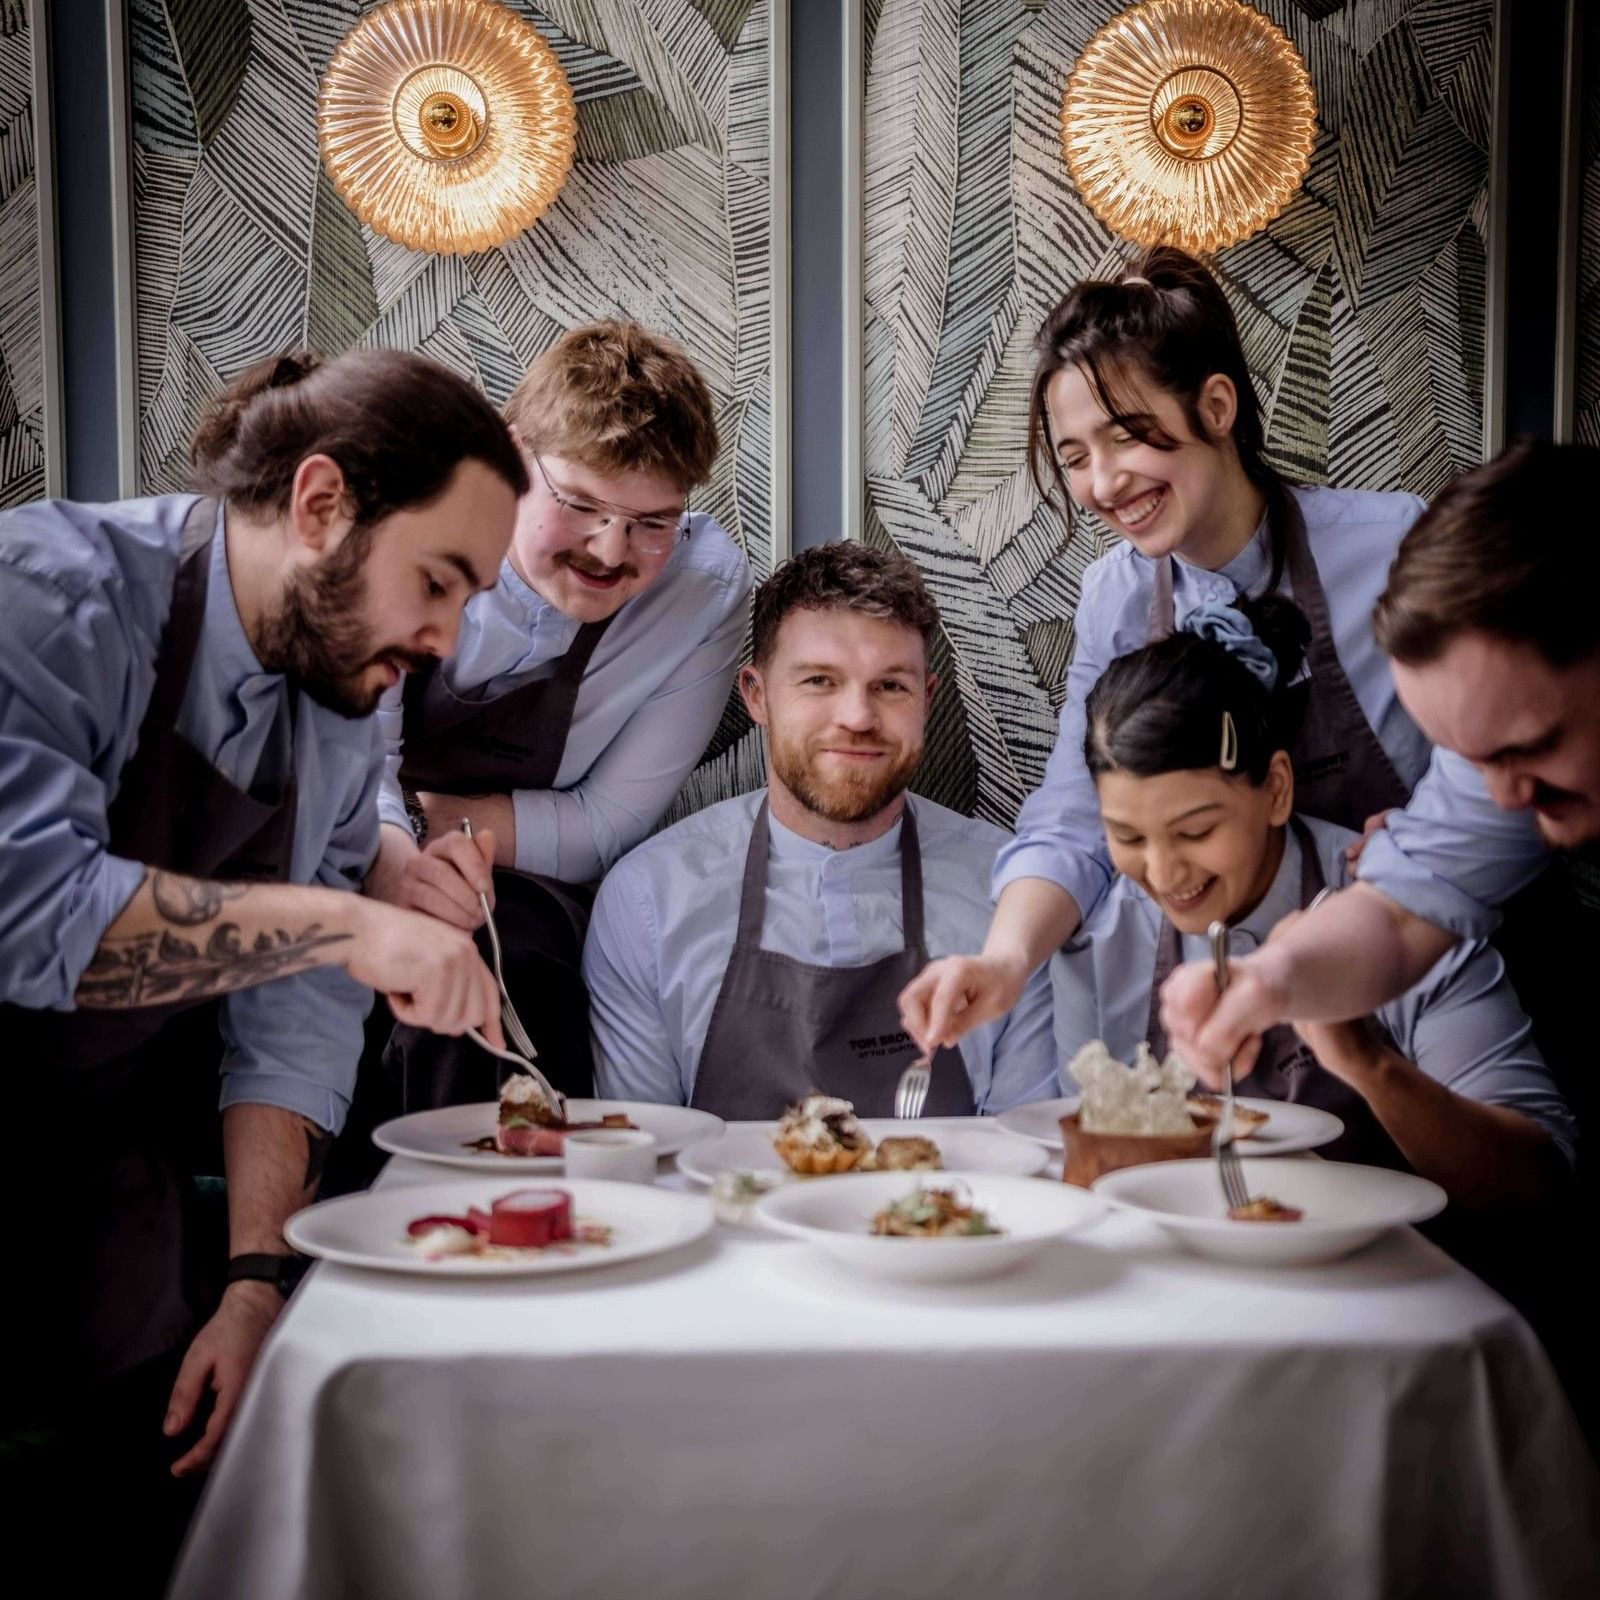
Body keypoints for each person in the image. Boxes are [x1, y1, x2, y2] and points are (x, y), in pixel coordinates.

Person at [0, 347, 525, 1588]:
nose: (444, 640)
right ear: (320, 504)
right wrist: (353, 922)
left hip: (101, 1172)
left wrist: (250, 1280)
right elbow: (29, 913)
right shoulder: (48, 595)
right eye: (437, 581)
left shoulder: (337, 710)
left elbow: (290, 1014)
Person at [899, 244, 1433, 1056]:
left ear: (1216, 406)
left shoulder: (1395, 551)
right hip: (1210, 1000)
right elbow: (1076, 813)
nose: (1105, 482)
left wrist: (1430, 831)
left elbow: (1507, 763)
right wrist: (1004, 960)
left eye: (1127, 437)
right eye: (1075, 458)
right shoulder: (1115, 597)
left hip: (1413, 977)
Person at [1057, 592, 1573, 1205]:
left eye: (1196, 831)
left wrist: (1364, 1059)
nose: (1165, 872)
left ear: (1276, 789)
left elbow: (1543, 1181)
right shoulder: (1098, 937)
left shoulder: (1406, 900)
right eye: (1128, 837)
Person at [365, 321, 752, 1107]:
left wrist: (431, 832)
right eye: (580, 506)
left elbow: (604, 822)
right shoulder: (399, 528)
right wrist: (403, 864)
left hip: (529, 888)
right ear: (512, 460)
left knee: (501, 960)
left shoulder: (704, 593)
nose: (610, 551)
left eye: (653, 524)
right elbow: (349, 764)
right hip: (347, 840)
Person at [1159, 441, 1600, 1083]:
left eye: (1530, 748)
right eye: (1472, 761)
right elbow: (1395, 918)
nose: (1502, 800)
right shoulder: (1503, 780)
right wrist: (1269, 979)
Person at [583, 542, 1057, 1118]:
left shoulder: (1017, 899)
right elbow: (641, 1162)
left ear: (926, 699)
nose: (857, 717)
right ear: (757, 695)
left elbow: (1028, 1157)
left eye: (890, 686)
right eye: (819, 681)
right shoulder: (648, 899)